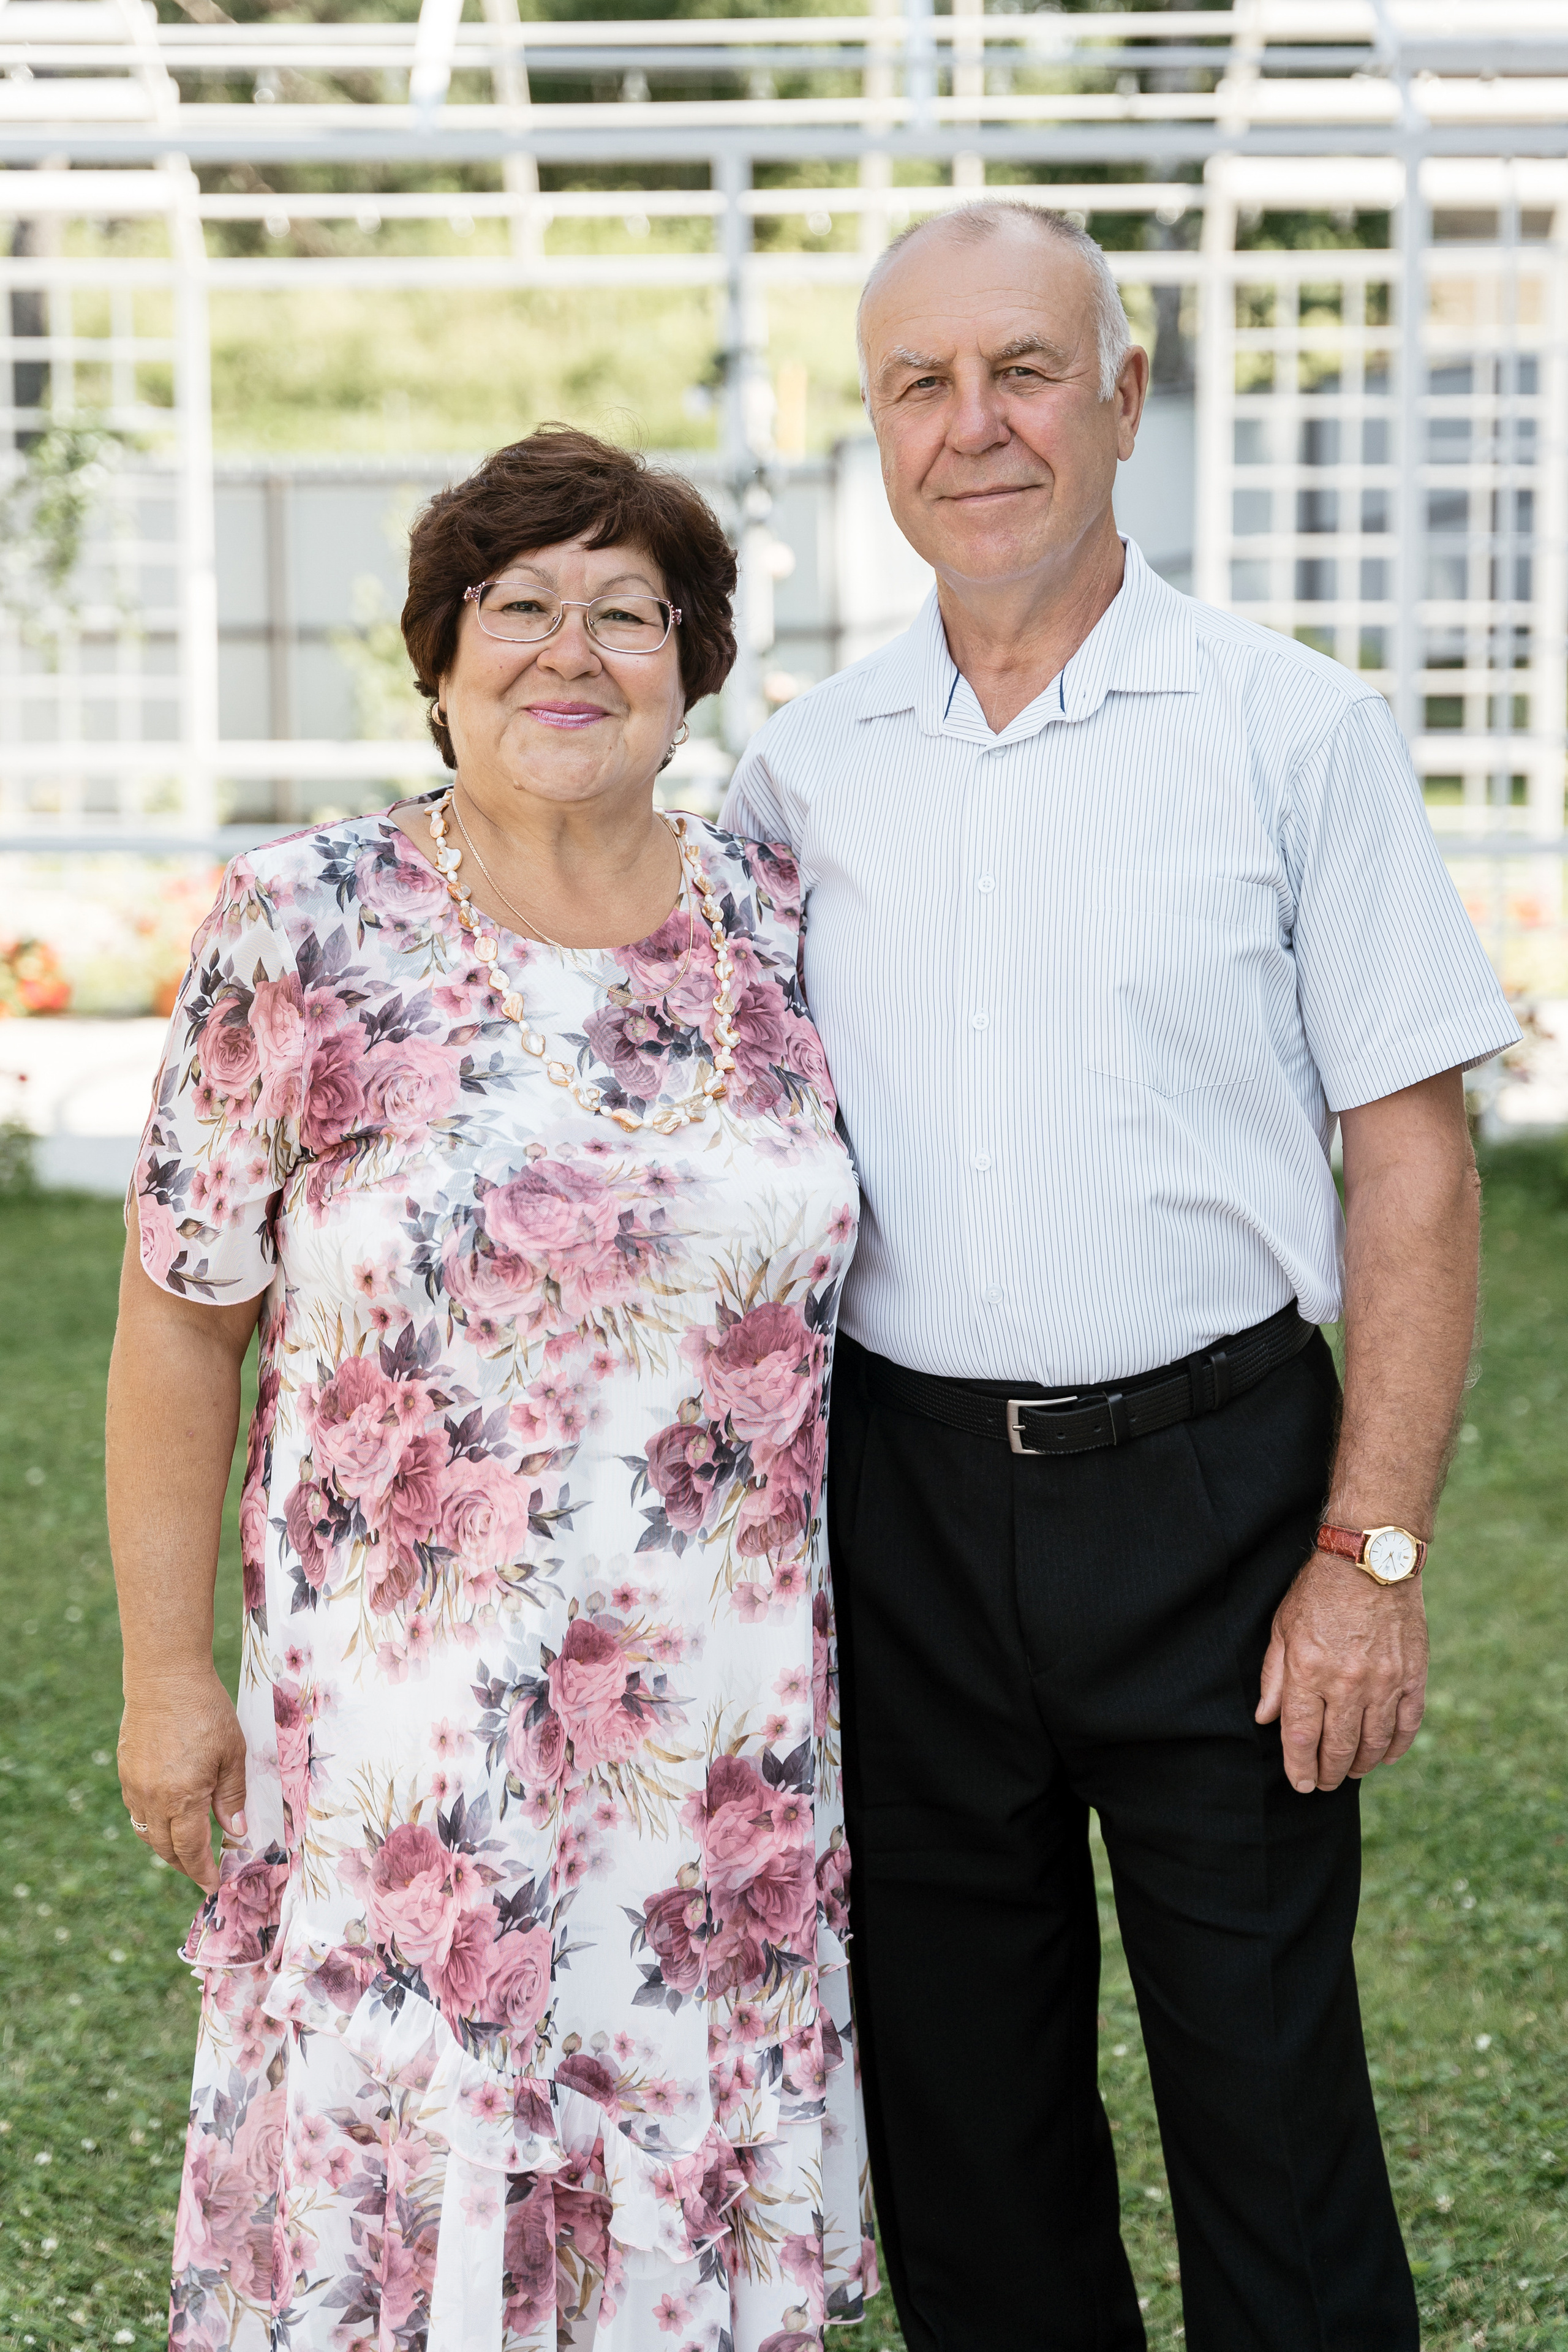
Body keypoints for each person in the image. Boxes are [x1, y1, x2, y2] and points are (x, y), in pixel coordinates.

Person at [723, 203, 1520, 2352]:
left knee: (1271, 2121)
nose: (973, 427)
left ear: (1128, 397)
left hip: (1218, 1502)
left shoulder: (1294, 729)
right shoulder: (802, 772)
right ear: (873, 432)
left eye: (1024, 372)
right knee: (968, 2143)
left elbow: (1417, 1172)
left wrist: (1371, 1551)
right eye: (921, 386)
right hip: (894, 1516)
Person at [108, 424, 875, 2352]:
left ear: (696, 666)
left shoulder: (789, 919)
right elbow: (184, 1316)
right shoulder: (303, 925)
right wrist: (166, 1672)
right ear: (438, 657)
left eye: (631, 613)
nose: (571, 652)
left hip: (719, 1736)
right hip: (402, 1749)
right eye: (516, 608)